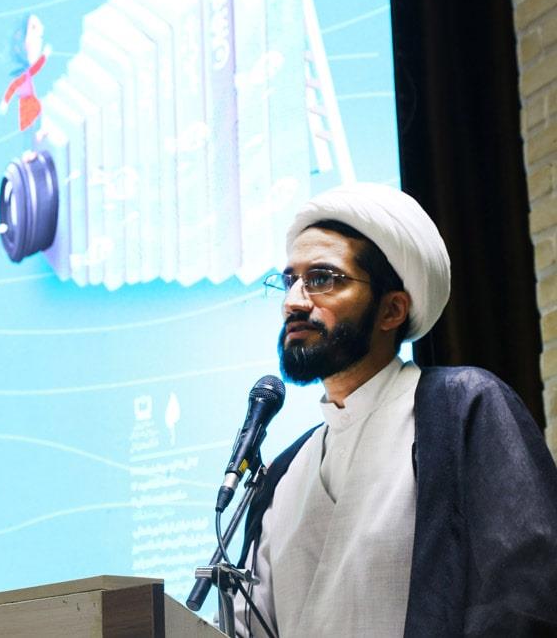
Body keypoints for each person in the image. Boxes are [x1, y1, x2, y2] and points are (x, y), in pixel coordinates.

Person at [232, 182, 557, 637]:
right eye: (290, 281)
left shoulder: (463, 407)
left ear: (392, 310)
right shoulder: (284, 473)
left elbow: (524, 596)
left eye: (322, 279)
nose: (294, 302)